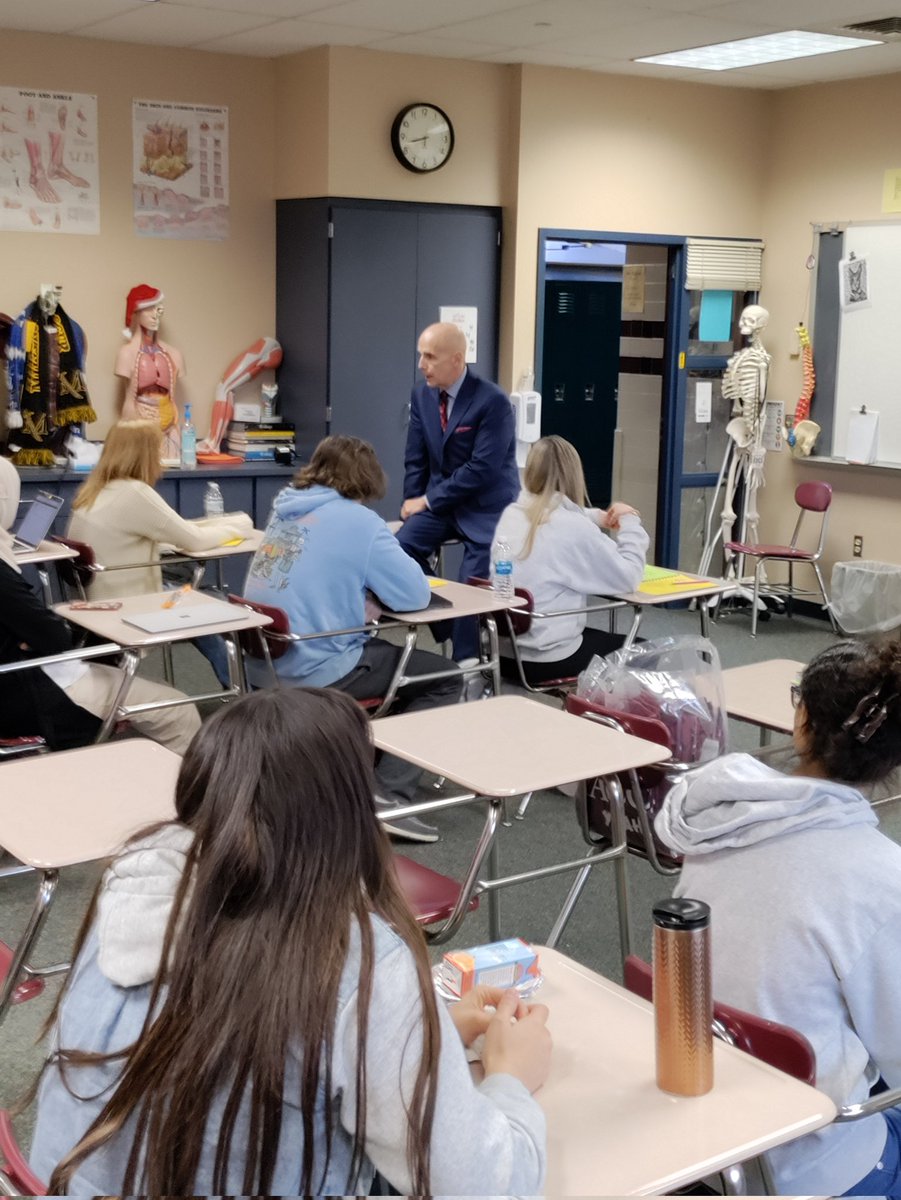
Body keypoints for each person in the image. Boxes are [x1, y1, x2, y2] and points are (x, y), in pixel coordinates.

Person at [29, 687, 551, 1196]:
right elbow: (483, 1184)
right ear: (349, 812)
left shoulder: (133, 885)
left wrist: (426, 1039)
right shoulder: (355, 962)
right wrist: (510, 1077)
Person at [655, 639, 901, 1198]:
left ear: (801, 720)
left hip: (693, 1124)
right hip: (805, 1164)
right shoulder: (881, 878)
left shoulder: (719, 817)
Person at [244, 435, 463, 843]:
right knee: (443, 677)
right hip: (315, 664)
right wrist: (374, 592)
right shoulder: (359, 522)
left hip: (264, 661)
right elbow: (414, 594)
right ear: (363, 483)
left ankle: (357, 767)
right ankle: (388, 795)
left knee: (385, 656)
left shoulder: (284, 510)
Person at [0, 456, 200, 754]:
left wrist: (34, 635)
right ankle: (191, 797)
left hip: (18, 684)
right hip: (28, 694)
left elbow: (42, 633)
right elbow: (56, 639)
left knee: (145, 685)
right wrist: (41, 633)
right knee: (179, 710)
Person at [67, 420, 252, 686]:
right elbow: (195, 540)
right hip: (131, 603)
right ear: (145, 454)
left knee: (195, 593)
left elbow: (167, 533)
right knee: (212, 600)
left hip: (101, 598)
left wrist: (223, 526)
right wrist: (242, 526)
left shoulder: (94, 490)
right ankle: (241, 688)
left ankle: (236, 684)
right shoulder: (134, 492)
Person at [396, 322, 519, 661]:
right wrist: (410, 504)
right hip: (441, 503)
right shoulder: (421, 394)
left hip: (486, 506)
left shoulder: (492, 400)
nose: (422, 365)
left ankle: (465, 663)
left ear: (457, 360)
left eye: (430, 357)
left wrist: (428, 499)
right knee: (398, 548)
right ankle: (448, 624)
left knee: (470, 584)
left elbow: (483, 468)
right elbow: (415, 457)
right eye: (421, 355)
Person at [492, 435, 648, 685]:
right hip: (549, 659)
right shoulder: (571, 527)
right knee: (648, 652)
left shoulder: (512, 514)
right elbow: (628, 577)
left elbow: (552, 513)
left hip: (503, 654)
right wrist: (630, 521)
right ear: (574, 474)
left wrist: (595, 517)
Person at [5, 284, 95, 466]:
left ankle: (69, 440)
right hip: (34, 405)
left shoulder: (73, 330)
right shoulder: (24, 328)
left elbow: (79, 368)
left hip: (62, 409)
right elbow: (16, 370)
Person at [115, 284, 184, 461]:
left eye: (157, 309)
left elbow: (173, 399)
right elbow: (128, 400)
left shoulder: (173, 355)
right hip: (139, 423)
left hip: (170, 426)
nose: (155, 315)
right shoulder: (127, 353)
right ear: (135, 314)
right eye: (148, 309)